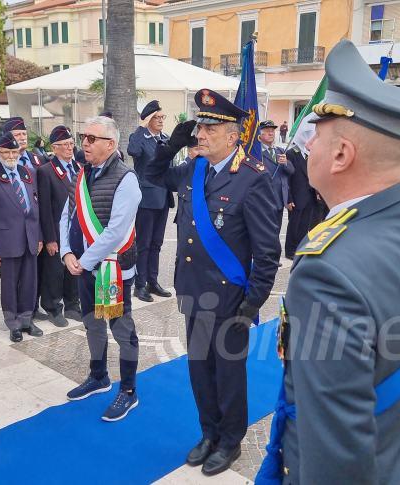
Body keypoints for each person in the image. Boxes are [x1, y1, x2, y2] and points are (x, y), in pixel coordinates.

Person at [256, 39, 400, 484]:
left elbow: (334, 449)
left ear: (343, 154)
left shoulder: (326, 270)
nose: (308, 144)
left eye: (317, 135)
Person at [145, 89, 280, 476]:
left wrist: (252, 302)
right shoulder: (192, 169)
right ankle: (208, 433)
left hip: (229, 298)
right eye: (199, 127)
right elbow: (152, 174)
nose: (200, 135)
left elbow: (266, 251)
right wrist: (173, 142)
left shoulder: (254, 179)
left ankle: (230, 441)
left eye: (209, 128)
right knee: (199, 368)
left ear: (233, 136)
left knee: (228, 374)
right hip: (192, 291)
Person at [59, 116, 142, 422]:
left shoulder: (126, 179)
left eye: (92, 139)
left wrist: (84, 260)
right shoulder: (81, 175)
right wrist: (67, 252)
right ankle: (99, 376)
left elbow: (116, 231)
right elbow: (66, 216)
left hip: (112, 271)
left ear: (111, 144)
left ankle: (129, 391)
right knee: (92, 323)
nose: (85, 143)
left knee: (121, 329)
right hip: (84, 266)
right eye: (84, 137)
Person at [0, 132, 43, 341]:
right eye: (5, 152)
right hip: (6, 240)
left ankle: (26, 319)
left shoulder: (28, 173)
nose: (10, 156)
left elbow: (35, 206)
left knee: (29, 282)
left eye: (14, 151)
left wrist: (39, 235)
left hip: (30, 237)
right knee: (9, 284)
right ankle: (13, 323)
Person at [127, 100, 174, 303]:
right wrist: (141, 127)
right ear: (148, 119)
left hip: (163, 197)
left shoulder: (166, 138)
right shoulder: (139, 137)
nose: (161, 121)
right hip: (146, 198)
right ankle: (140, 284)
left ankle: (152, 281)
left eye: (163, 117)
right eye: (157, 117)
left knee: (157, 243)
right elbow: (133, 151)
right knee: (144, 244)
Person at [36, 126, 81, 326]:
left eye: (71, 144)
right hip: (56, 230)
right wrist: (50, 238)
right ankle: (53, 307)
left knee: (74, 268)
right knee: (54, 271)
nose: (69, 148)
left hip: (76, 231)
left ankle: (72, 304)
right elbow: (44, 208)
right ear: (54, 148)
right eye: (64, 145)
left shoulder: (80, 167)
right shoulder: (46, 171)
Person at [283, 144, 327, 259]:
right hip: (296, 196)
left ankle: (300, 248)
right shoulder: (291, 153)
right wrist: (289, 198)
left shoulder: (309, 154)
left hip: (310, 195)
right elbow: (287, 178)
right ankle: (290, 251)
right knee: (294, 225)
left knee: (305, 225)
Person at [258, 120, 293, 241]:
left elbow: (291, 171)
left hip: (279, 198)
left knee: (276, 232)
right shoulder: (256, 153)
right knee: (263, 232)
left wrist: (285, 163)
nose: (271, 133)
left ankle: (274, 259)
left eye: (272, 131)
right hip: (263, 198)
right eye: (267, 131)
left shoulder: (280, 151)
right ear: (259, 134)